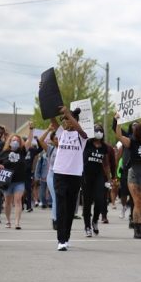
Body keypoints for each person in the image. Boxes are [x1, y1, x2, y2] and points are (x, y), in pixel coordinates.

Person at [50, 107, 87, 251]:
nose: (65, 122)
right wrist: (46, 98)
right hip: (59, 174)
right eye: (64, 120)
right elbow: (53, 121)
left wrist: (68, 115)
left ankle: (67, 236)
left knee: (71, 208)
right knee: (61, 206)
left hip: (75, 175)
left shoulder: (81, 136)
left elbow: (80, 129)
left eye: (68, 119)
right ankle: (61, 239)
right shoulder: (61, 133)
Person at [114, 120, 141, 239]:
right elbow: (118, 135)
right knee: (138, 201)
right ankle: (137, 230)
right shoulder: (132, 141)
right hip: (134, 173)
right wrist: (118, 121)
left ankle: (137, 222)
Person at [0, 132, 28, 230]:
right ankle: (8, 221)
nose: (15, 142)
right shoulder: (4, 152)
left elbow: (29, 142)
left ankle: (17, 222)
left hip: (19, 181)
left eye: (17, 140)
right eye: (13, 140)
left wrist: (31, 130)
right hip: (7, 181)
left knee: (18, 200)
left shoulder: (22, 151)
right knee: (8, 202)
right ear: (10, 142)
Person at [82, 125, 112, 237]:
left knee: (100, 200)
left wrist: (109, 178)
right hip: (86, 175)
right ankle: (87, 226)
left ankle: (95, 220)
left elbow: (106, 163)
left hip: (99, 176)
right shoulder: (87, 143)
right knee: (87, 202)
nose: (98, 132)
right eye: (96, 130)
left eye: (100, 130)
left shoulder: (104, 147)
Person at [39, 125, 59, 231]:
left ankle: (61, 218)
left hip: (63, 176)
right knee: (56, 197)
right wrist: (48, 130)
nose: (58, 140)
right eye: (56, 138)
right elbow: (40, 140)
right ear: (52, 140)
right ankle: (55, 219)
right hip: (52, 176)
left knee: (62, 198)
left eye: (59, 138)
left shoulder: (66, 148)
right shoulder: (50, 149)